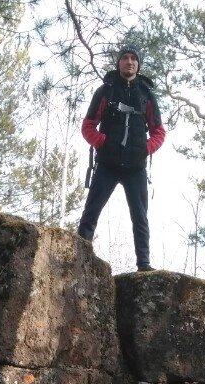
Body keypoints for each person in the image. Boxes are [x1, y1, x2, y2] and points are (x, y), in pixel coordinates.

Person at [77, 48, 166, 271]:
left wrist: (144, 149)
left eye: (134, 59)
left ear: (139, 64)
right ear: (118, 63)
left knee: (140, 217)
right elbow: (88, 125)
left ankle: (144, 265)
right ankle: (79, 258)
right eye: (125, 59)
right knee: (91, 211)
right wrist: (103, 143)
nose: (129, 62)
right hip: (107, 163)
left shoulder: (146, 95)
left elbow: (159, 131)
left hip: (135, 167)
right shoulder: (105, 91)